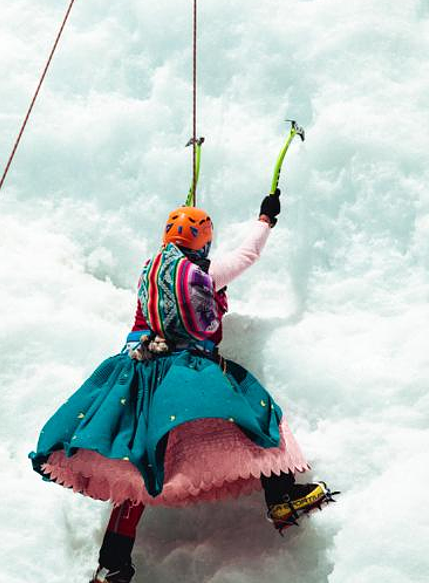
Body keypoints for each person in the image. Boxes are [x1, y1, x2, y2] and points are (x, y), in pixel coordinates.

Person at [29, 189, 335, 583]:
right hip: (186, 372)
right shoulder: (202, 276)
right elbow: (246, 257)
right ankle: (281, 497)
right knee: (255, 413)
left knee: (132, 467)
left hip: (135, 375)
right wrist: (265, 220)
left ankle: (112, 564)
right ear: (203, 241)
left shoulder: (149, 274)